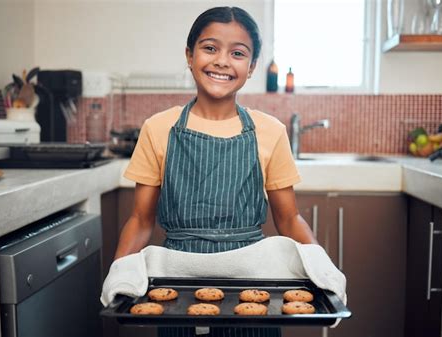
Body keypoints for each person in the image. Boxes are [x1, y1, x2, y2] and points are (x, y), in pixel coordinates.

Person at [114, 6, 317, 337]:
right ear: (189, 55)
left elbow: (290, 219)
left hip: (251, 280)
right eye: (210, 48)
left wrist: (321, 268)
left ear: (251, 67)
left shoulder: (270, 131)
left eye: (237, 53)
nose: (222, 61)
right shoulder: (158, 128)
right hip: (178, 284)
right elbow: (140, 219)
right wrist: (118, 273)